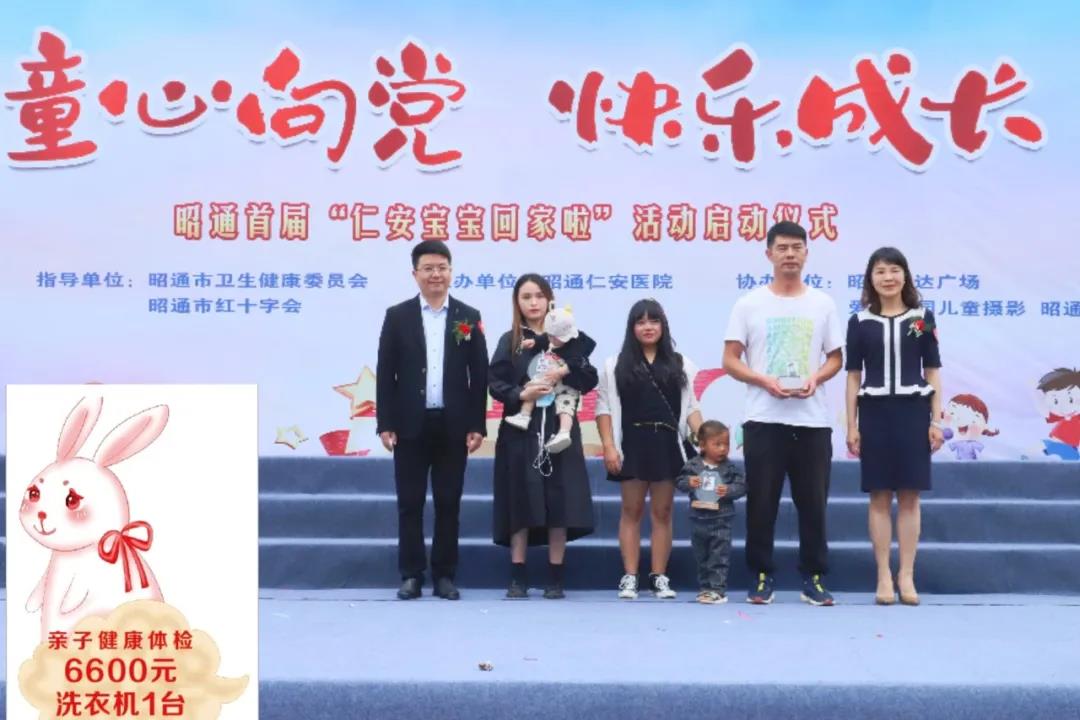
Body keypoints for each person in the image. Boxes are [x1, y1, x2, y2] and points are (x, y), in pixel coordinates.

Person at [722, 221, 844, 606]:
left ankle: (814, 577)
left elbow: (835, 358)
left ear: (806, 253)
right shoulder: (749, 304)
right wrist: (763, 380)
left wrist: (815, 378)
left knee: (814, 504)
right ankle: (761, 575)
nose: (790, 254)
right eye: (782, 248)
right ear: (769, 254)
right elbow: (730, 360)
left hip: (811, 420)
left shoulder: (823, 304)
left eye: (796, 247)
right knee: (762, 503)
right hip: (764, 419)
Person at [375, 240, 488, 601]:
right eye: (428, 268)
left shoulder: (467, 316)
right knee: (409, 503)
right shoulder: (398, 316)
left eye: (442, 267)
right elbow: (386, 373)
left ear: (451, 272)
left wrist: (477, 424)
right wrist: (385, 422)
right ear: (415, 274)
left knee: (448, 502)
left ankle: (444, 575)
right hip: (410, 425)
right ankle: (411, 574)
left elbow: (479, 375)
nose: (436, 274)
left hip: (453, 425)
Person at [845, 246, 944, 606]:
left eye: (894, 270)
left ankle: (907, 574)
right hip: (874, 414)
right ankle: (883, 575)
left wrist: (936, 419)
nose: (888, 277)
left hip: (913, 413)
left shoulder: (922, 318)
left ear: (905, 275)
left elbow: (932, 370)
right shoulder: (859, 322)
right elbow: (853, 376)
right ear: (870, 279)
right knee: (879, 496)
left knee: (910, 497)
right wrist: (852, 425)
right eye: (880, 271)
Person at [489, 274, 598, 599]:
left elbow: (588, 377)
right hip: (520, 429)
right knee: (519, 499)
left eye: (539, 295)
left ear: (550, 299)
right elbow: (495, 383)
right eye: (526, 297)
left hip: (558, 428)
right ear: (517, 303)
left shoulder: (569, 337)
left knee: (559, 499)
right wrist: (522, 393)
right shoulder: (511, 340)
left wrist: (566, 371)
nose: (533, 302)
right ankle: (517, 575)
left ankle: (555, 576)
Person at [596, 298, 704, 600]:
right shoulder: (614, 364)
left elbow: (691, 407)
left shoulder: (681, 363)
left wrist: (705, 438)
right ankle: (630, 576)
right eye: (641, 322)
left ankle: (659, 576)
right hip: (631, 443)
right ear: (632, 327)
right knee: (631, 510)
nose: (648, 327)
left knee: (663, 512)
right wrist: (609, 447)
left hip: (666, 444)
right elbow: (604, 409)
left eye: (654, 321)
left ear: (663, 325)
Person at [675, 421, 747, 604]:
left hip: (721, 520)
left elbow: (741, 487)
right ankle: (705, 588)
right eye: (717, 444)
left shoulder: (730, 468)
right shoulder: (693, 466)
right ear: (703, 445)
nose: (723, 449)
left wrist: (729, 490)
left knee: (719, 556)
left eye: (726, 444)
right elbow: (680, 482)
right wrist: (689, 482)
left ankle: (717, 590)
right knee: (701, 557)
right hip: (698, 519)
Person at [503, 304, 588, 454]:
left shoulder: (577, 344)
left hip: (566, 384)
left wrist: (560, 372)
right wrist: (534, 342)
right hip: (549, 379)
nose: (552, 340)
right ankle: (524, 416)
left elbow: (577, 362)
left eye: (556, 338)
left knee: (566, 406)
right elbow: (543, 339)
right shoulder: (550, 338)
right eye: (550, 336)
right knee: (534, 387)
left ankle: (564, 432)